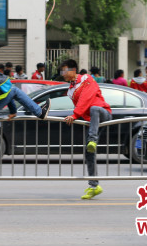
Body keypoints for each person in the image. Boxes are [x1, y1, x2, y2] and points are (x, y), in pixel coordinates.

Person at [61, 59, 111, 200]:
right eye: (62, 71)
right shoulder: (70, 91)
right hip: (91, 122)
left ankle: (92, 140)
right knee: (89, 154)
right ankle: (94, 186)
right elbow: (81, 105)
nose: (63, 74)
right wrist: (76, 115)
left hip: (103, 114)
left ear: (73, 70)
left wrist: (75, 114)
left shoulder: (86, 78)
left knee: (94, 108)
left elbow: (86, 98)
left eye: (65, 70)